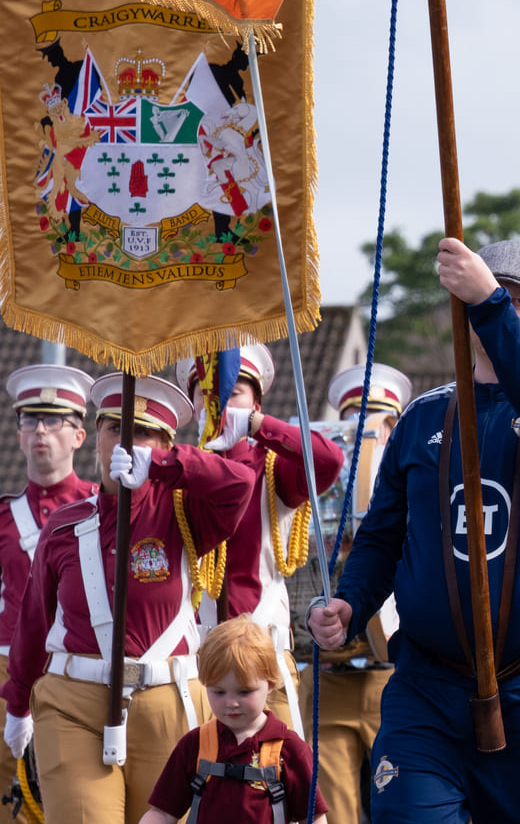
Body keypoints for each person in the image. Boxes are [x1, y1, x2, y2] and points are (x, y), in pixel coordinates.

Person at [308, 238, 520, 823]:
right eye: (487, 299)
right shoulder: (423, 415)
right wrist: (350, 602)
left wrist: (488, 301)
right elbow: (382, 536)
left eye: (519, 300)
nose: (499, 309)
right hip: (427, 688)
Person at [1, 373, 256, 824]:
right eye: (115, 428)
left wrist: (163, 465)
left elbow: (240, 483)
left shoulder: (185, 512)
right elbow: (34, 622)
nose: (126, 442)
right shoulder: (62, 526)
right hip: (73, 701)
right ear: (96, 436)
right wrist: (18, 702)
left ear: (164, 443)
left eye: (143, 433)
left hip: (165, 702)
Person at [176, 344, 344, 736]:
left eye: (233, 393)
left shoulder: (274, 468)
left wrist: (257, 427)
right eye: (207, 395)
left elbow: (329, 461)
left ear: (256, 401)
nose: (218, 405)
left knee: (281, 783)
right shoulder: (177, 471)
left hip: (264, 654)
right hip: (192, 660)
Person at [289, 362, 411, 824]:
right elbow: (292, 573)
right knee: (332, 812)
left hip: (393, 674)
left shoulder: (417, 483)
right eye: (358, 422)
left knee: (404, 803)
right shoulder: (316, 487)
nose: (371, 436)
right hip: (329, 676)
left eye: (382, 423)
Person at [0, 364, 97, 817]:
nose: (40, 430)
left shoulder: (104, 509)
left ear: (79, 435)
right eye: (29, 420)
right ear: (18, 435)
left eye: (53, 420)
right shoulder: (4, 517)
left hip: (80, 671)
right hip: (6, 671)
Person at [138, 615, 328, 824]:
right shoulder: (195, 745)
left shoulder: (289, 749)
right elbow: (163, 813)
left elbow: (314, 817)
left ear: (271, 683)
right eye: (219, 692)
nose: (231, 703)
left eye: (244, 692)